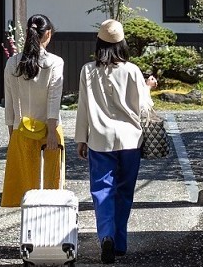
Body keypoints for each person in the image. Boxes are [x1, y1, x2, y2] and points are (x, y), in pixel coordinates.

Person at [74, 18, 154, 264]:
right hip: (130, 139)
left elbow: (83, 108)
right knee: (125, 192)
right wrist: (149, 87)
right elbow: (144, 109)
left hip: (99, 139)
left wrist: (81, 139)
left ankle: (106, 236)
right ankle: (119, 243)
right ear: (122, 44)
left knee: (102, 191)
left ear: (99, 43)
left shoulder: (88, 70)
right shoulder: (132, 70)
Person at [1, 13, 65, 207]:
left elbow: (10, 102)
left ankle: (28, 228)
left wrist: (11, 133)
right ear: (48, 34)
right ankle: (49, 226)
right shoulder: (54, 62)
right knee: (51, 185)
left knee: (26, 188)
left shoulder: (13, 63)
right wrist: (52, 131)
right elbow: (54, 98)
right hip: (49, 129)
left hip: (22, 129)